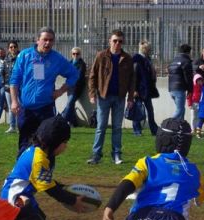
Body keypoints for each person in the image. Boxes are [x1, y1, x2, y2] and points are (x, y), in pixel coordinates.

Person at [2, 115, 86, 220]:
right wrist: (72, 200)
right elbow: (48, 188)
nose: (66, 146)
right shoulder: (39, 157)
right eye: (65, 142)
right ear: (55, 142)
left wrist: (65, 189)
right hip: (13, 199)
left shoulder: (41, 152)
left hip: (23, 196)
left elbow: (48, 182)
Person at [9, 27, 79, 156]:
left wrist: (61, 91)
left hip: (46, 109)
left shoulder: (57, 59)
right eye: (44, 39)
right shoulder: (25, 55)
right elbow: (14, 80)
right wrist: (14, 102)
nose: (47, 43)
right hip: (26, 109)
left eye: (50, 40)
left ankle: (45, 173)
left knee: (47, 143)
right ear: (37, 40)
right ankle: (23, 174)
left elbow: (74, 74)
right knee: (25, 144)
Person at [87, 30, 135, 165]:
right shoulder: (101, 56)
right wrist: (92, 94)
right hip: (103, 97)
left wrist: (131, 98)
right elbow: (92, 76)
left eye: (120, 41)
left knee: (117, 127)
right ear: (110, 41)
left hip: (120, 97)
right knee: (101, 127)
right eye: (115, 41)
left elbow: (132, 80)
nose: (117, 43)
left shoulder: (127, 58)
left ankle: (117, 155)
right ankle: (96, 155)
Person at [131, 40, 158, 136]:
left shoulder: (148, 59)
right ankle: (137, 130)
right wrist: (134, 90)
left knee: (150, 111)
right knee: (137, 111)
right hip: (139, 89)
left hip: (146, 89)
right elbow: (133, 76)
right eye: (148, 48)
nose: (150, 50)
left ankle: (154, 129)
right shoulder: (136, 59)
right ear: (144, 49)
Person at [62, 47, 87, 127]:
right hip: (69, 87)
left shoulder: (82, 64)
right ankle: (74, 123)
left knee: (69, 104)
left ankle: (62, 120)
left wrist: (71, 78)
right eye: (74, 54)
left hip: (77, 88)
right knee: (71, 105)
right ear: (71, 55)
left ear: (80, 55)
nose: (75, 55)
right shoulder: (69, 63)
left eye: (77, 53)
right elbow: (65, 73)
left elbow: (79, 76)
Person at [168, 44, 193, 121]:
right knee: (179, 110)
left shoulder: (174, 60)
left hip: (171, 89)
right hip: (179, 89)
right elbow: (188, 77)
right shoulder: (186, 61)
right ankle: (167, 125)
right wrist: (190, 90)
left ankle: (180, 128)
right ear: (189, 52)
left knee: (182, 109)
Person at [3, 41, 19, 133]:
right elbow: (4, 72)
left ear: (17, 47)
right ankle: (12, 126)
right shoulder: (6, 59)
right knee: (11, 107)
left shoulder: (21, 58)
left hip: (19, 86)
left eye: (14, 47)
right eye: (11, 47)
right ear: (8, 49)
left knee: (19, 107)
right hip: (8, 86)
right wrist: (4, 83)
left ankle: (20, 126)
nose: (13, 48)